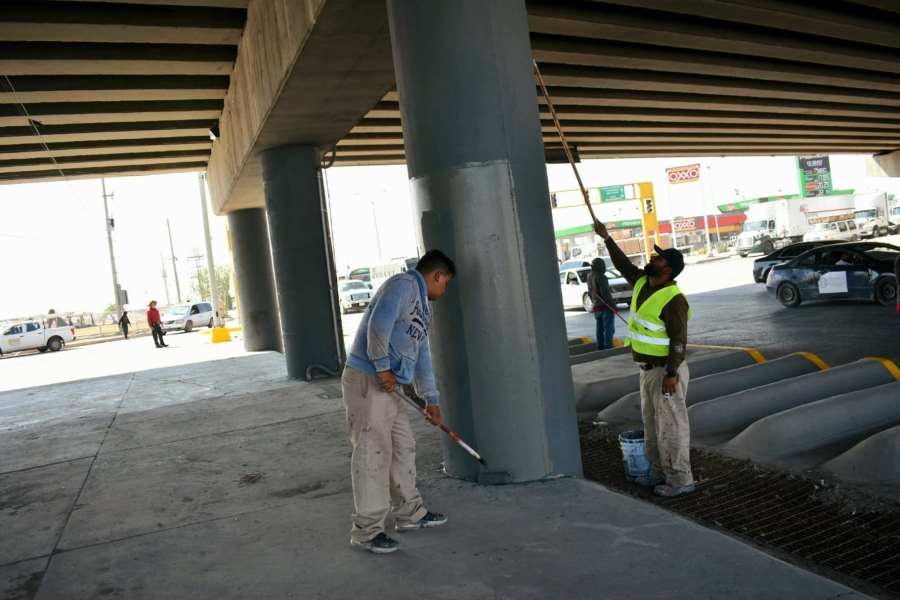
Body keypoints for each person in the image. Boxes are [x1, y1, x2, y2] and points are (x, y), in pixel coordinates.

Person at [342, 249, 455, 554]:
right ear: (438, 275)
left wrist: (431, 399)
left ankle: (409, 514)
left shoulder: (422, 307)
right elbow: (379, 324)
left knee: (403, 446)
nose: (444, 291)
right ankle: (367, 531)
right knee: (372, 453)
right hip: (369, 379)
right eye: (445, 284)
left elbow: (422, 356)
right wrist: (381, 366)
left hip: (391, 386)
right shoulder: (402, 285)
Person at [593, 220, 695, 497]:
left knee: (671, 427)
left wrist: (672, 374)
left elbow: (678, 341)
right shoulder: (642, 282)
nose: (653, 257)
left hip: (665, 372)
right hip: (648, 371)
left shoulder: (674, 299)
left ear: (669, 269)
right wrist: (607, 238)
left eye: (659, 257)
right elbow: (622, 263)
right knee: (652, 426)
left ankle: (681, 480)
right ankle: (659, 473)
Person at [587, 258, 616, 350]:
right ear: (600, 266)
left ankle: (601, 346)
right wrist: (613, 305)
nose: (604, 267)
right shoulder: (601, 277)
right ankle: (608, 347)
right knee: (609, 329)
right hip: (605, 307)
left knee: (599, 329)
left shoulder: (589, 276)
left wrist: (594, 302)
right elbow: (605, 293)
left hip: (596, 306)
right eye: (603, 265)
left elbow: (589, 292)